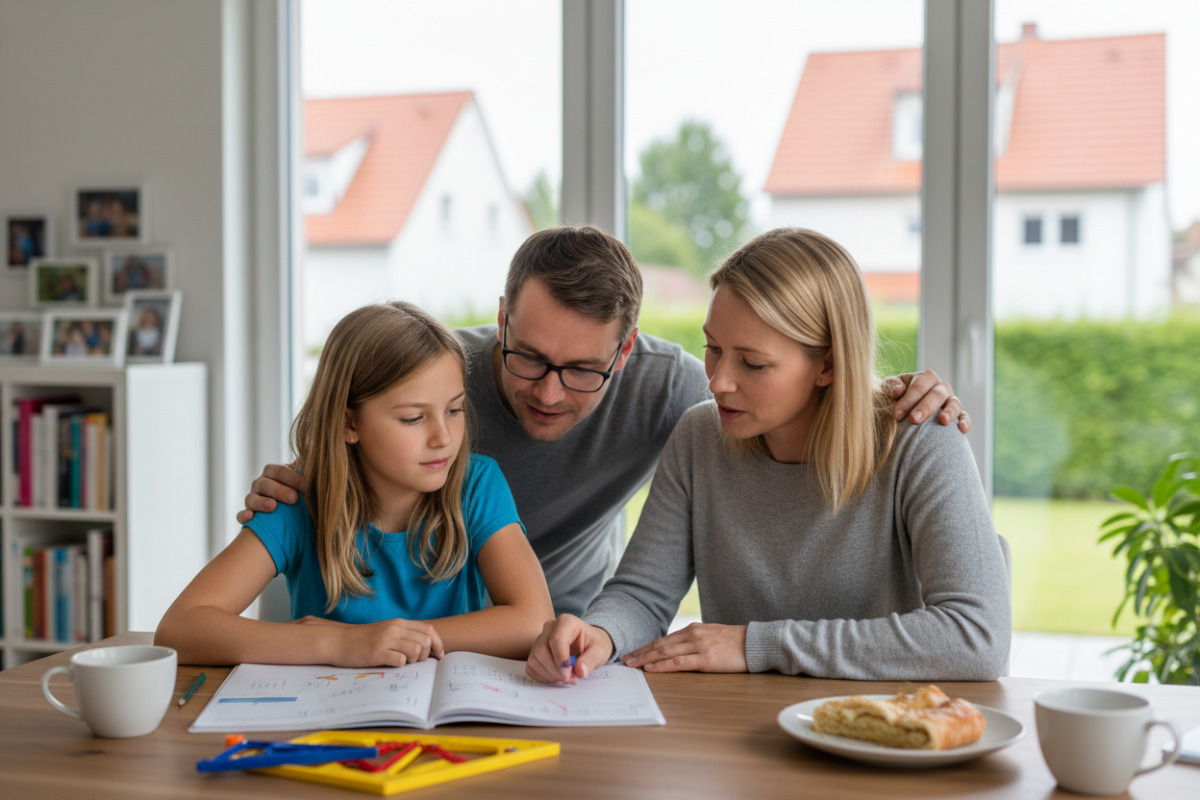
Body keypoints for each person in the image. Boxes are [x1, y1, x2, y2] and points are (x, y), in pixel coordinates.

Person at [239, 226, 969, 617]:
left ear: (626, 351)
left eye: (583, 370)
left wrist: (886, 393)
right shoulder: (438, 377)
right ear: (500, 320)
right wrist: (302, 477)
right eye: (525, 356)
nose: (549, 393)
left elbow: (797, 383)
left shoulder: (680, 392)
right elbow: (351, 426)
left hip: (553, 632)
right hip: (376, 631)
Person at [525, 228, 1010, 684]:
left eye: (753, 363)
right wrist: (600, 633)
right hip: (745, 730)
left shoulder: (922, 440)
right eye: (712, 348)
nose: (717, 382)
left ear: (829, 364)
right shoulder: (700, 436)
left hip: (883, 729)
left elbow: (977, 636)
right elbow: (642, 595)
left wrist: (756, 645)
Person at [155, 302, 553, 667]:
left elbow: (534, 622)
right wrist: (342, 645)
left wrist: (391, 640)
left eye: (454, 410)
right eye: (413, 418)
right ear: (349, 424)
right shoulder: (299, 499)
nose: (443, 438)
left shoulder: (477, 485)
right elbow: (181, 629)